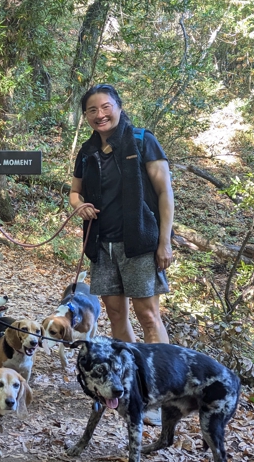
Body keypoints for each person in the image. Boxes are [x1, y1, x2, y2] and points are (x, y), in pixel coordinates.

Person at [68, 84, 175, 351]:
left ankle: (159, 382)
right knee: (116, 316)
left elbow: (165, 193)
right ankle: (131, 377)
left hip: (139, 243)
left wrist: (165, 242)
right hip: (102, 246)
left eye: (106, 107)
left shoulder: (141, 141)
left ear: (119, 108)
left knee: (149, 317)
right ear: (86, 116)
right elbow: (74, 192)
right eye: (92, 110)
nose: (100, 114)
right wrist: (79, 205)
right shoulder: (87, 151)